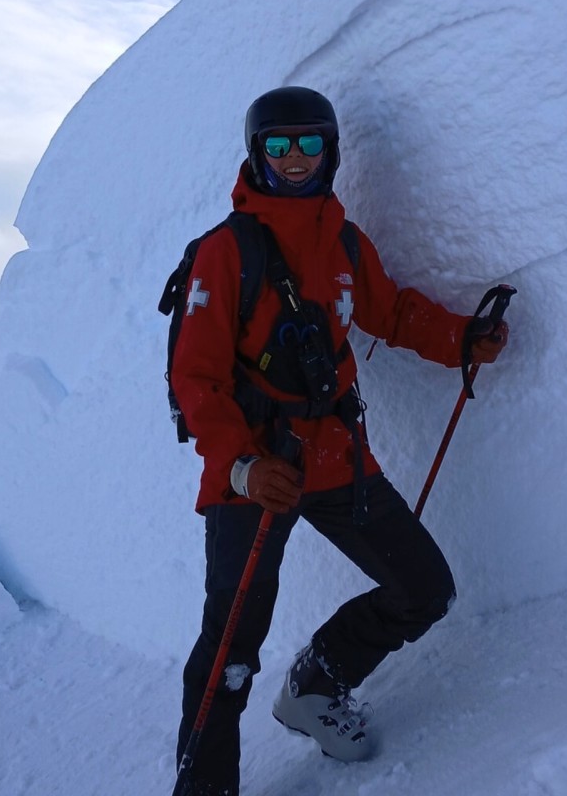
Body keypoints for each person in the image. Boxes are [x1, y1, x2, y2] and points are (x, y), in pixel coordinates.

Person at [172, 86, 509, 795]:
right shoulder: (226, 252)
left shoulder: (346, 242)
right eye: (278, 144)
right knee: (230, 651)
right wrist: (240, 468)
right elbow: (194, 379)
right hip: (253, 473)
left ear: (330, 152)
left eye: (309, 144)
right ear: (256, 154)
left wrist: (463, 340)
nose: (294, 158)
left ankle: (316, 688)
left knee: (424, 588)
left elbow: (393, 315)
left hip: (332, 458)